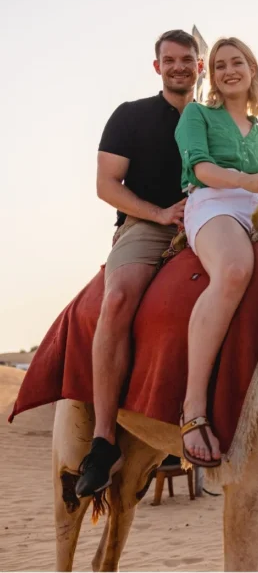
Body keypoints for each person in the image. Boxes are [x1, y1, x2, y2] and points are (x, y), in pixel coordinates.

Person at [75, 30, 203, 496]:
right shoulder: (129, 117)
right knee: (119, 299)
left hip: (209, 226)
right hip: (147, 226)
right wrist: (160, 214)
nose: (178, 67)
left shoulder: (212, 120)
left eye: (187, 59)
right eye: (169, 60)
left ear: (199, 66)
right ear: (157, 67)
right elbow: (107, 184)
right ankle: (104, 439)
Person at [174, 37, 258, 466]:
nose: (228, 70)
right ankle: (193, 406)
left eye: (237, 62)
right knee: (236, 269)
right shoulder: (197, 115)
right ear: (213, 76)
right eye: (219, 65)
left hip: (256, 211)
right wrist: (251, 181)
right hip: (214, 203)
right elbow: (201, 169)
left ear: (252, 69)